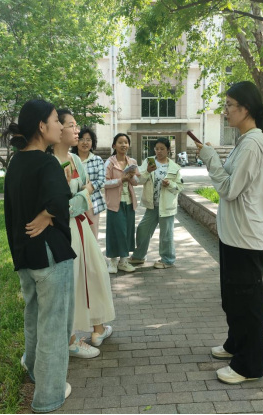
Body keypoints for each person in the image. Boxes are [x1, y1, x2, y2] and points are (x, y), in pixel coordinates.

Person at [196, 81, 263, 385]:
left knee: (246, 302)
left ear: (246, 108)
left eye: (230, 105)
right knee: (233, 298)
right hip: (234, 235)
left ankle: (249, 366)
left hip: (245, 237)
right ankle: (235, 344)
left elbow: (229, 189)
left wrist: (210, 159)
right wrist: (212, 157)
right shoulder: (245, 141)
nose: (225, 110)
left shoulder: (252, 145)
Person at [3, 100, 76, 413]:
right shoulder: (47, 163)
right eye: (56, 120)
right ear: (42, 127)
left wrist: (45, 214)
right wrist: (48, 213)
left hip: (25, 255)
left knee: (33, 318)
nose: (60, 125)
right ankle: (48, 396)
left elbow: (12, 211)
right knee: (54, 327)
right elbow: (61, 199)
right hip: (50, 256)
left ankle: (34, 370)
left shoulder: (15, 163)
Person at [54, 110, 116, 359]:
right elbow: (66, 205)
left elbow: (82, 198)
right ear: (56, 128)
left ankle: (98, 329)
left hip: (81, 227)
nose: (77, 131)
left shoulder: (74, 160)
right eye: (71, 125)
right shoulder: (49, 163)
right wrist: (85, 193)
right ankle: (70, 338)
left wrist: (83, 195)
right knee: (72, 280)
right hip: (63, 230)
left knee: (95, 274)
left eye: (77, 125)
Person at [129, 137, 184, 269]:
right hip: (152, 205)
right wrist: (148, 171)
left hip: (167, 206)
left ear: (168, 150)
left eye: (162, 149)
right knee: (143, 230)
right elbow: (139, 180)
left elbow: (179, 187)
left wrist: (169, 184)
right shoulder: (149, 161)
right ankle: (139, 256)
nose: (159, 151)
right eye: (157, 149)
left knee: (166, 235)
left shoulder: (174, 167)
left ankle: (168, 260)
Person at [104, 133, 139, 274]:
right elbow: (104, 182)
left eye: (126, 142)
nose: (123, 145)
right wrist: (121, 180)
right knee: (115, 231)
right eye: (120, 142)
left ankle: (123, 261)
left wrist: (131, 177)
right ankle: (113, 261)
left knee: (128, 232)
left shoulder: (132, 162)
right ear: (114, 145)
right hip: (115, 203)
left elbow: (136, 182)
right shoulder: (110, 162)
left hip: (129, 202)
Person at [71, 127, 106, 240]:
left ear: (92, 142)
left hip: (92, 203)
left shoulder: (97, 160)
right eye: (81, 139)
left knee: (92, 236)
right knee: (76, 236)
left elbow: (102, 180)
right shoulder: (70, 159)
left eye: (88, 140)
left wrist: (89, 187)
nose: (85, 142)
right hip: (73, 202)